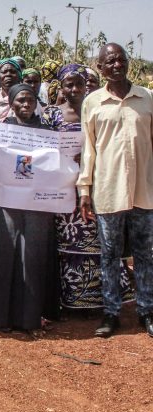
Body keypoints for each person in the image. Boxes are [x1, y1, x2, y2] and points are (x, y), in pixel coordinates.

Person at [44, 64, 135, 314]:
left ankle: (104, 300)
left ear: (87, 85)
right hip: (64, 190)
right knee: (69, 243)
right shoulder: (52, 114)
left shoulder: (98, 108)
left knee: (101, 242)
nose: (74, 89)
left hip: (97, 186)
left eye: (79, 83)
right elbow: (42, 150)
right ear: (60, 87)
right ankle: (74, 299)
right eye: (68, 84)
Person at [77, 43, 153, 338]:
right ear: (100, 67)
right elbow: (89, 150)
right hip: (108, 192)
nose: (117, 65)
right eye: (111, 61)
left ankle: (146, 310)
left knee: (145, 254)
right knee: (109, 255)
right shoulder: (92, 102)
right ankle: (111, 313)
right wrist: (85, 188)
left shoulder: (147, 98)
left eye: (122, 60)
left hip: (144, 191)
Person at [0, 83, 58, 338]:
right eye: (20, 101)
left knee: (33, 257)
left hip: (38, 204)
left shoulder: (48, 132)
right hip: (8, 201)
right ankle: (0, 317)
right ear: (11, 103)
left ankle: (30, 318)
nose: (26, 105)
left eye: (30, 100)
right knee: (5, 255)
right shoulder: (0, 131)